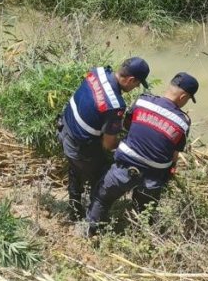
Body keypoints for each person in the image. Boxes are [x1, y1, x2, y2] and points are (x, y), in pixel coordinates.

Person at [83, 72, 199, 236]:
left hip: (122, 169)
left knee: (102, 198)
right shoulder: (182, 122)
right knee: (144, 213)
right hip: (152, 178)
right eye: (187, 99)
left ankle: (90, 233)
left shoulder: (142, 101)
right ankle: (140, 237)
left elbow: (127, 126)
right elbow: (174, 156)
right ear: (183, 96)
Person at [58, 58, 150, 221]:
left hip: (65, 128)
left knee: (74, 170)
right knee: (102, 177)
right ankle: (93, 220)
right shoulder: (115, 106)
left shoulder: (98, 71)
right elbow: (108, 144)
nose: (136, 87)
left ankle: (74, 209)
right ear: (130, 80)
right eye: (137, 84)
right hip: (79, 148)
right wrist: (127, 145)